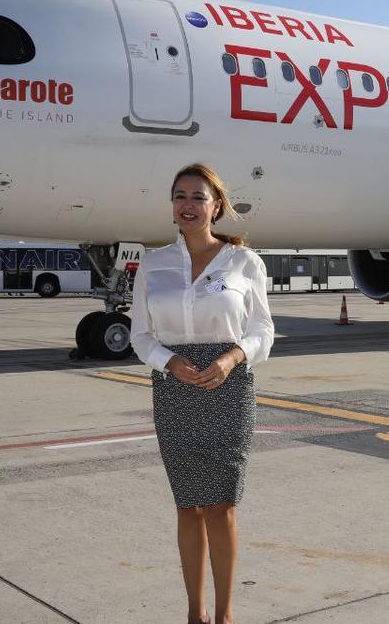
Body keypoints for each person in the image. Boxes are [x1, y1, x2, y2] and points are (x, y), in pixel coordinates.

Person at [129, 163, 274, 624]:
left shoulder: (244, 263)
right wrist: (168, 362)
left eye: (197, 197)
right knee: (188, 506)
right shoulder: (153, 264)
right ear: (172, 207)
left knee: (222, 505)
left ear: (216, 206)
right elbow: (140, 335)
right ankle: (196, 613)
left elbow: (263, 331)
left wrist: (231, 358)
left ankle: (226, 615)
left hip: (229, 387)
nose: (187, 205)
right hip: (174, 389)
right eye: (180, 196)